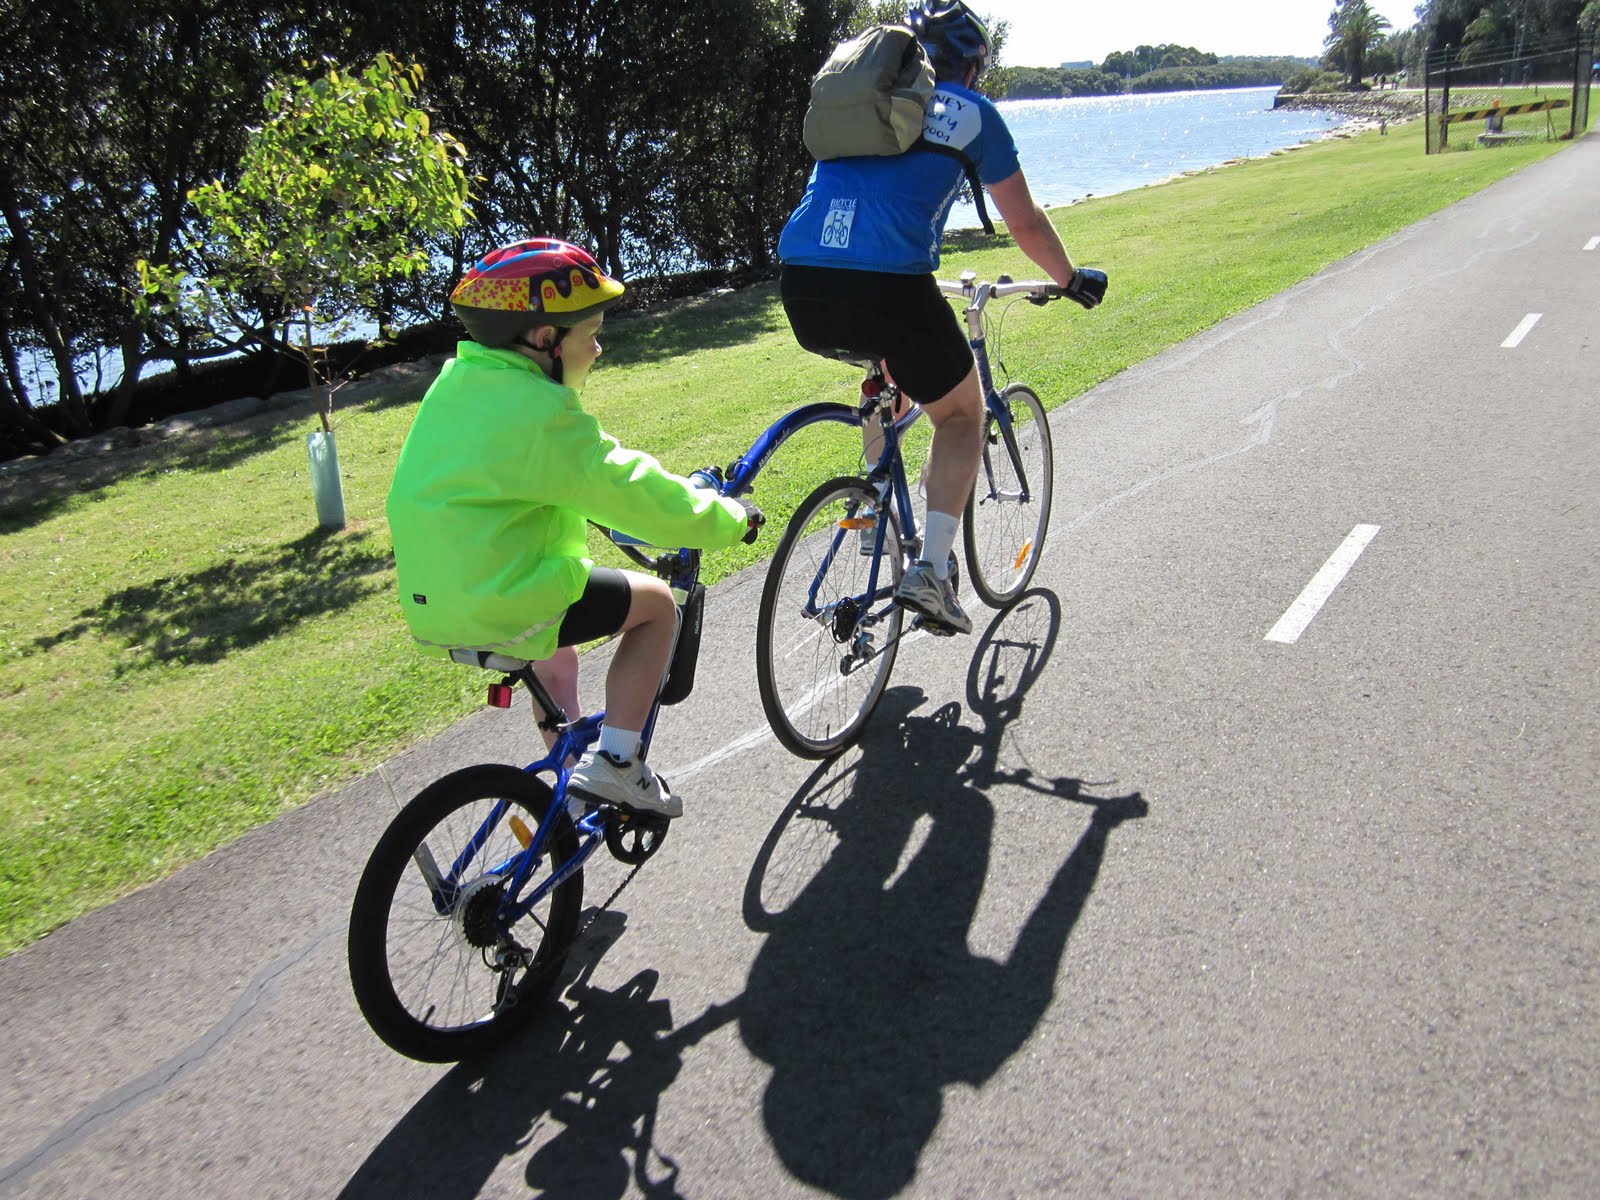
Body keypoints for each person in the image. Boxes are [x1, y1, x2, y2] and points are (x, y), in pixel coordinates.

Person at [386, 238, 761, 818]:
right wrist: (727, 519)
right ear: (545, 340)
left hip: (436, 599)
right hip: (502, 596)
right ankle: (617, 766)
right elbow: (626, 489)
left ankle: (566, 795)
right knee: (658, 605)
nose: (599, 348)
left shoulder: (458, 385)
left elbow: (497, 488)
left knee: (554, 657)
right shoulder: (541, 414)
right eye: (590, 334)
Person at [777, 0, 1106, 636]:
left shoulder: (865, 103)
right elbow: (1026, 222)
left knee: (896, 379)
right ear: (975, 65)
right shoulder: (971, 114)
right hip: (888, 286)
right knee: (960, 413)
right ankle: (928, 571)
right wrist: (1070, 279)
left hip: (802, 282)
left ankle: (875, 518)